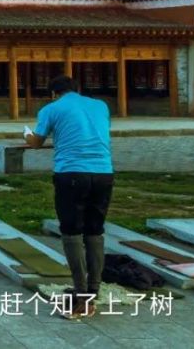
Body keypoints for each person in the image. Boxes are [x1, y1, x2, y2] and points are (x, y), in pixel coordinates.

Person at [25, 74, 113, 318]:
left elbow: (36, 143)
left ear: (54, 93)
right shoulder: (100, 106)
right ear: (78, 89)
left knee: (71, 230)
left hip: (71, 173)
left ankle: (81, 291)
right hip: (104, 173)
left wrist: (26, 135)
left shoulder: (51, 109)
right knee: (95, 230)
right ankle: (94, 288)